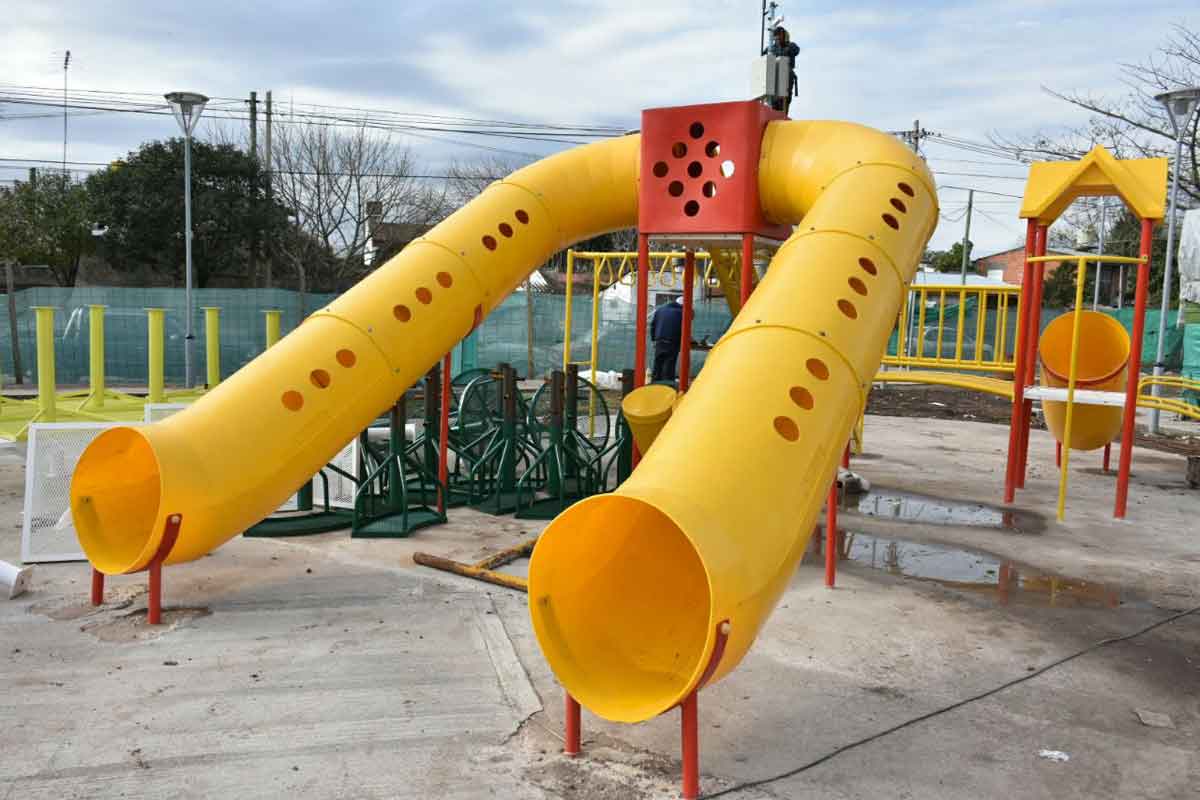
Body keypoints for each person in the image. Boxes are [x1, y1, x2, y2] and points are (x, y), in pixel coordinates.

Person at [650, 297, 684, 383]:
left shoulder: (660, 310)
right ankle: (667, 386)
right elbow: (683, 329)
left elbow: (653, 325)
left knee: (657, 365)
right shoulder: (682, 312)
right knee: (669, 367)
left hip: (659, 341)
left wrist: (653, 339)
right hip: (673, 342)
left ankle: (654, 385)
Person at [767, 26, 799, 114]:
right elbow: (768, 57)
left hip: (787, 76)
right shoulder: (773, 48)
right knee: (774, 101)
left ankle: (783, 113)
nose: (778, 38)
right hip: (775, 78)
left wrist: (787, 49)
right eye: (776, 37)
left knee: (784, 99)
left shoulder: (791, 45)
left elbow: (796, 50)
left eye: (779, 36)